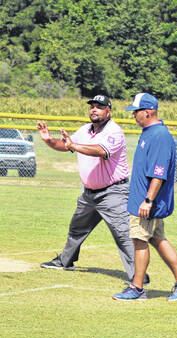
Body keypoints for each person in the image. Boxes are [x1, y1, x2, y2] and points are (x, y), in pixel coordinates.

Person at [36, 95, 139, 283]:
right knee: (76, 228)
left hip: (113, 192)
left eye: (99, 106)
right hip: (89, 194)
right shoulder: (85, 130)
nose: (94, 109)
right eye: (92, 106)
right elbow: (66, 146)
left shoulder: (114, 131)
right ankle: (65, 261)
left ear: (109, 111)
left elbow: (100, 151)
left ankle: (139, 276)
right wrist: (49, 140)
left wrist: (74, 145)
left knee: (123, 234)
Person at [112, 93, 177, 301]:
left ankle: (137, 288)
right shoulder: (150, 132)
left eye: (136, 112)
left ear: (148, 112)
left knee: (139, 240)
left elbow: (158, 173)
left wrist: (148, 200)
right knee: (158, 239)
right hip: (144, 200)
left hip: (147, 202)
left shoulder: (159, 135)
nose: (134, 116)